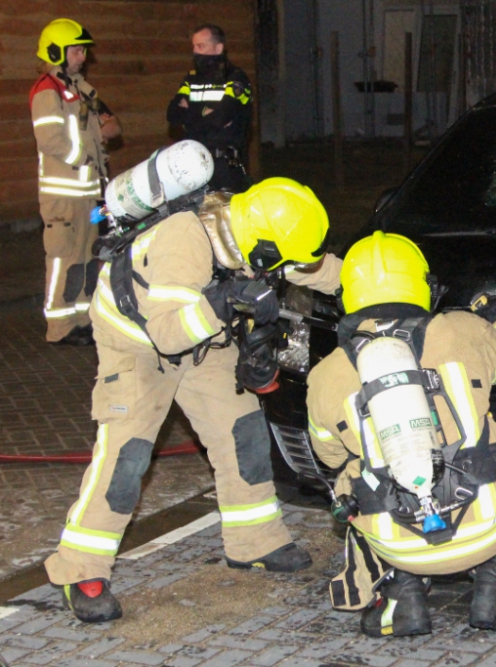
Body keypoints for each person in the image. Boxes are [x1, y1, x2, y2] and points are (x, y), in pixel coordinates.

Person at [45, 177, 343, 624]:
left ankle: (254, 542)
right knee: (126, 454)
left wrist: (379, 284)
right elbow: (167, 334)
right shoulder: (185, 237)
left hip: (201, 338)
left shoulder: (253, 233)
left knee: (241, 432)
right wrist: (224, 302)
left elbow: (312, 268)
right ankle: (80, 566)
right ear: (259, 238)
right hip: (139, 344)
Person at [306, 231, 496, 638]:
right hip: (486, 530)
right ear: (426, 287)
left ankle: (397, 595)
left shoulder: (325, 375)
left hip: (396, 543)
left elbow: (328, 456)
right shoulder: (463, 330)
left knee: (348, 476)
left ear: (346, 297)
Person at [31, 18, 121, 345]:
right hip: (63, 196)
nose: (83, 57)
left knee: (86, 255)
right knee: (62, 258)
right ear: (57, 51)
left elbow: (108, 127)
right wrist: (83, 158)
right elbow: (50, 140)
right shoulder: (47, 90)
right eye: (77, 50)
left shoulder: (77, 89)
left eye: (83, 51)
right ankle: (59, 327)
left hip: (88, 194)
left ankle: (81, 318)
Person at [167, 24, 252, 193]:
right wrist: (206, 114)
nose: (196, 52)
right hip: (194, 166)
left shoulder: (236, 78)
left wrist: (190, 115)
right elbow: (173, 114)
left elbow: (221, 117)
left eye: (201, 46)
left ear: (218, 48)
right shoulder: (191, 79)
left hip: (225, 166)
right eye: (194, 47)